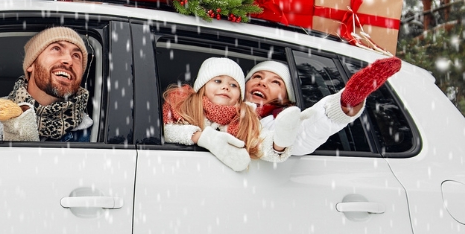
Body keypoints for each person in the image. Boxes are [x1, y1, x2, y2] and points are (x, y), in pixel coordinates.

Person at [243, 56, 402, 160]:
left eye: (276, 82)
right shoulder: (223, 103)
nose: (262, 83)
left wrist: (348, 100)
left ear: (286, 97)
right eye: (257, 76)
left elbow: (305, 133)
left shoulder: (279, 120)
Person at [161, 57, 300, 172]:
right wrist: (202, 137)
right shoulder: (183, 106)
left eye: (233, 85)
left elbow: (259, 143)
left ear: (240, 95)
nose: (226, 87)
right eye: (217, 81)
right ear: (202, 86)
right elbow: (165, 131)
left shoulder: (245, 118)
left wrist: (279, 143)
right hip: (182, 171)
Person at [0, 27, 92, 141]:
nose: (69, 60)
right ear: (31, 65)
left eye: (76, 56)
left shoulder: (94, 135)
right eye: (56, 48)